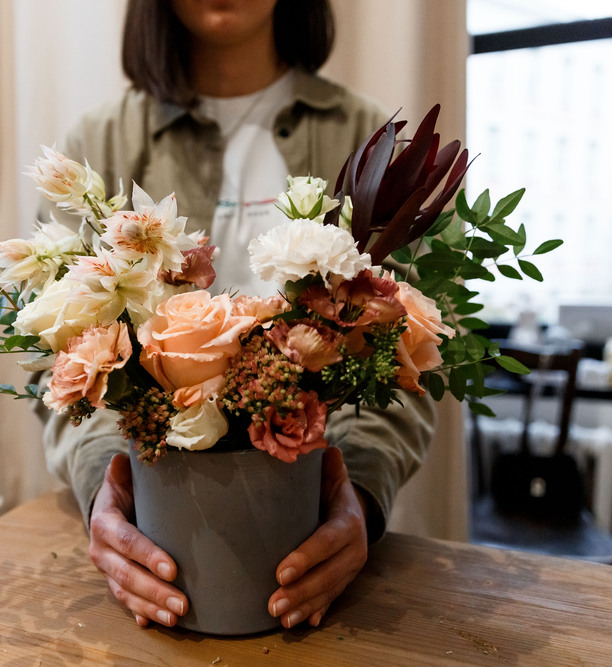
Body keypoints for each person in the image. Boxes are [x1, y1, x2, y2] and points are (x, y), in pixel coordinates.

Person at [37, 0, 435, 630]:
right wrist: (103, 491)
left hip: (319, 553)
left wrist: (355, 492)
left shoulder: (366, 136)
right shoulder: (100, 144)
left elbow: (411, 351)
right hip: (158, 544)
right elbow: (61, 361)